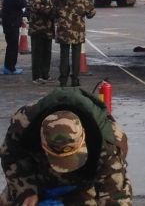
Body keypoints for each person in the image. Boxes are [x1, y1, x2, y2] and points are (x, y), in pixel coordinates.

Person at [0, 87, 132, 205]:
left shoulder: (108, 142)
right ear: (42, 142)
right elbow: (11, 157)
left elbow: (114, 194)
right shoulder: (23, 124)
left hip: (84, 182)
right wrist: (26, 190)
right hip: (38, 174)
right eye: (57, 158)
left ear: (83, 137)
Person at [53, 0, 96, 87]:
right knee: (76, 56)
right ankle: (75, 80)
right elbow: (91, 13)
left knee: (64, 55)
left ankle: (63, 80)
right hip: (78, 31)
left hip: (63, 31)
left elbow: (53, 13)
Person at [29, 0, 62, 84]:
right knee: (37, 53)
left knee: (47, 53)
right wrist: (51, 11)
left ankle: (45, 75)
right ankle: (36, 77)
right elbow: (36, 7)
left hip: (48, 29)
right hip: (37, 29)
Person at [2, 0, 27, 75]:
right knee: (12, 47)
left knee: (11, 46)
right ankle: (10, 68)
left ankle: (9, 66)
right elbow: (23, 4)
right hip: (12, 25)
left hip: (11, 24)